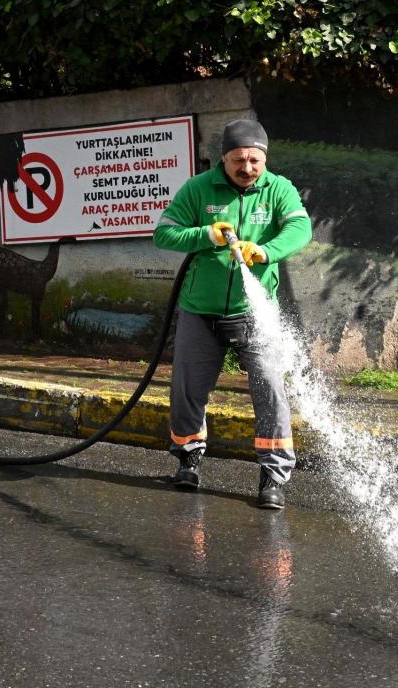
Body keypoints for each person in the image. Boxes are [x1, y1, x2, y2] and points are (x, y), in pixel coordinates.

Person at [152, 118, 312, 509]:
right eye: (239, 160)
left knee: (270, 391)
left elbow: (300, 228)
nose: (247, 168)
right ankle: (188, 459)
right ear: (223, 158)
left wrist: (267, 251)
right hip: (199, 311)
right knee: (187, 391)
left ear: (265, 158)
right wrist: (205, 235)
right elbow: (164, 233)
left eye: (255, 160)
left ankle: (272, 477)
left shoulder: (278, 189)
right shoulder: (198, 189)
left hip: (255, 314)